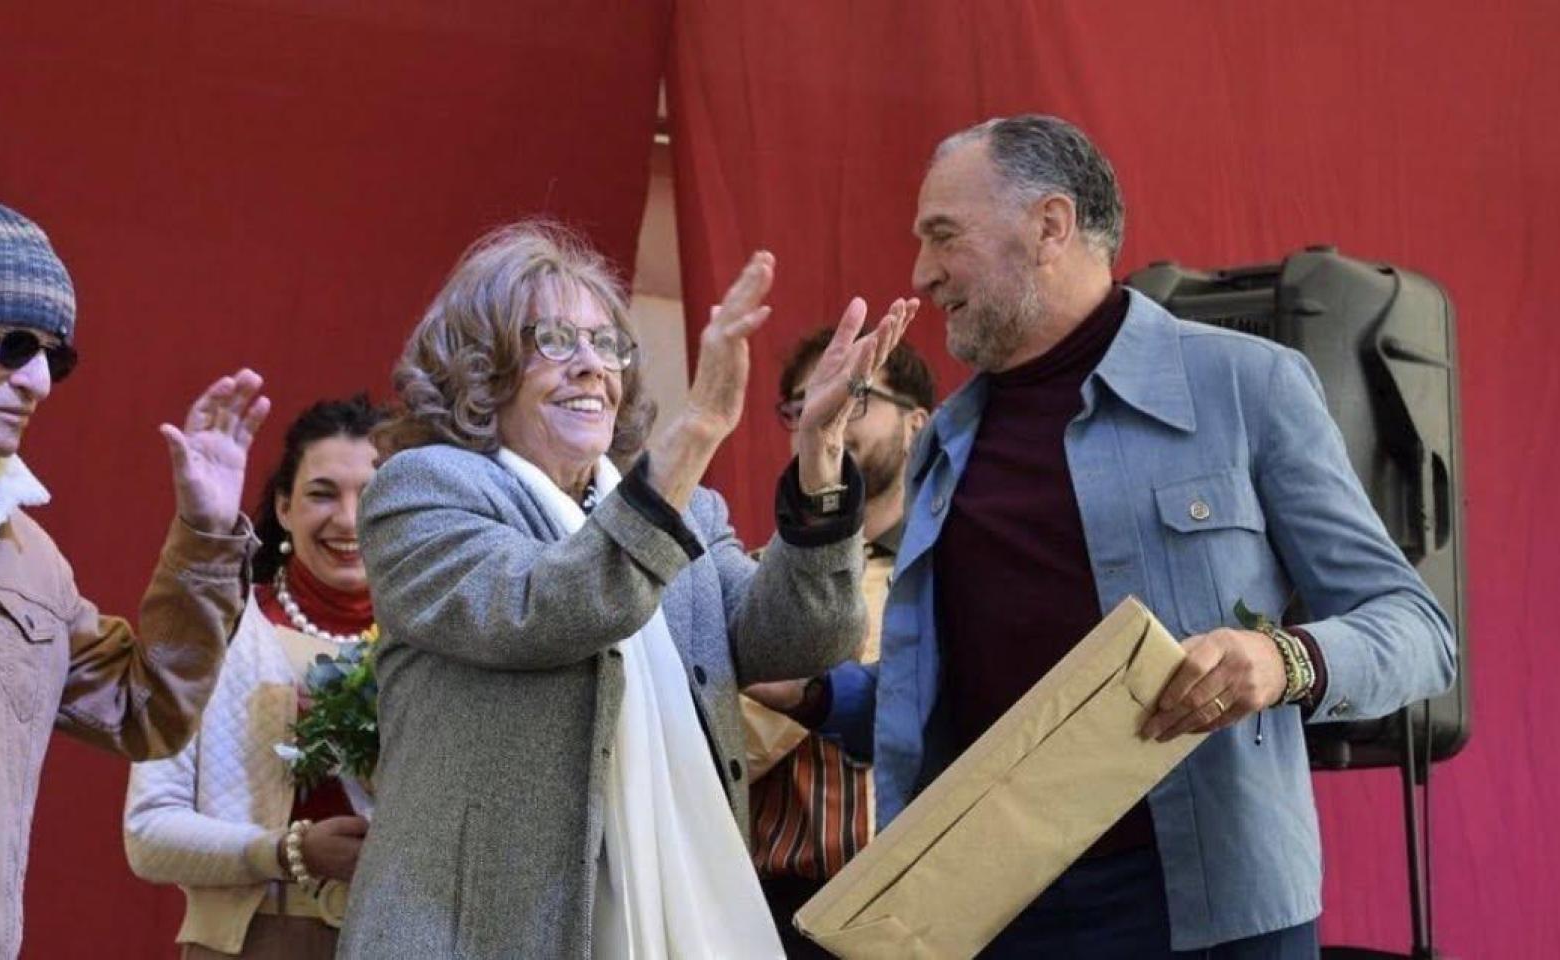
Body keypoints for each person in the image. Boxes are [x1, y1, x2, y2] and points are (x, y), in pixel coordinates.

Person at [817, 115, 1457, 957]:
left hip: (1211, 915)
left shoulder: (1247, 386)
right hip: (986, 915)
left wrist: (1282, 660)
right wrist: (816, 696)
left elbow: (1417, 633)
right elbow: (949, 693)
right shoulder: (944, 442)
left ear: (1050, 225)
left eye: (943, 237)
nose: (922, 273)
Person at [335, 221, 917, 959]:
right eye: (554, 342)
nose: (592, 368)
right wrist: (700, 426)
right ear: (481, 369)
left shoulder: (686, 514)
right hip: (476, 931)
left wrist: (819, 463)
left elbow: (804, 638)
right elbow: (545, 607)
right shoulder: (422, 491)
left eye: (606, 344)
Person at [0, 200, 266, 959]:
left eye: (56, 356)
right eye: (12, 344)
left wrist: (206, 539)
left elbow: (147, 711)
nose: (39, 380)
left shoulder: (27, 558)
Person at [125, 396, 381, 958]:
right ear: (284, 508)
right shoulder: (213, 631)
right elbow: (147, 833)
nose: (347, 518)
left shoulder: (433, 647)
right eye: (322, 493)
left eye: (372, 495)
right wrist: (289, 851)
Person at [740, 331, 934, 957]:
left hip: (933, 907)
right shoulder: (751, 576)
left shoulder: (957, 569)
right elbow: (722, 746)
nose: (825, 418)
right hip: (784, 911)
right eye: (805, 406)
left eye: (853, 398)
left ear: (917, 425)